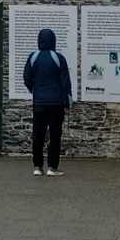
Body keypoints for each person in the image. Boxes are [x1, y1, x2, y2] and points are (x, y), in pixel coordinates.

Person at [22, 28, 72, 176]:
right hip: (56, 103)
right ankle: (52, 167)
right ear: (53, 41)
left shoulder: (33, 57)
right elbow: (65, 82)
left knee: (38, 134)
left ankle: (37, 167)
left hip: (39, 102)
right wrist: (67, 102)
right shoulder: (58, 58)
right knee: (55, 135)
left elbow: (26, 78)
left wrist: (34, 90)